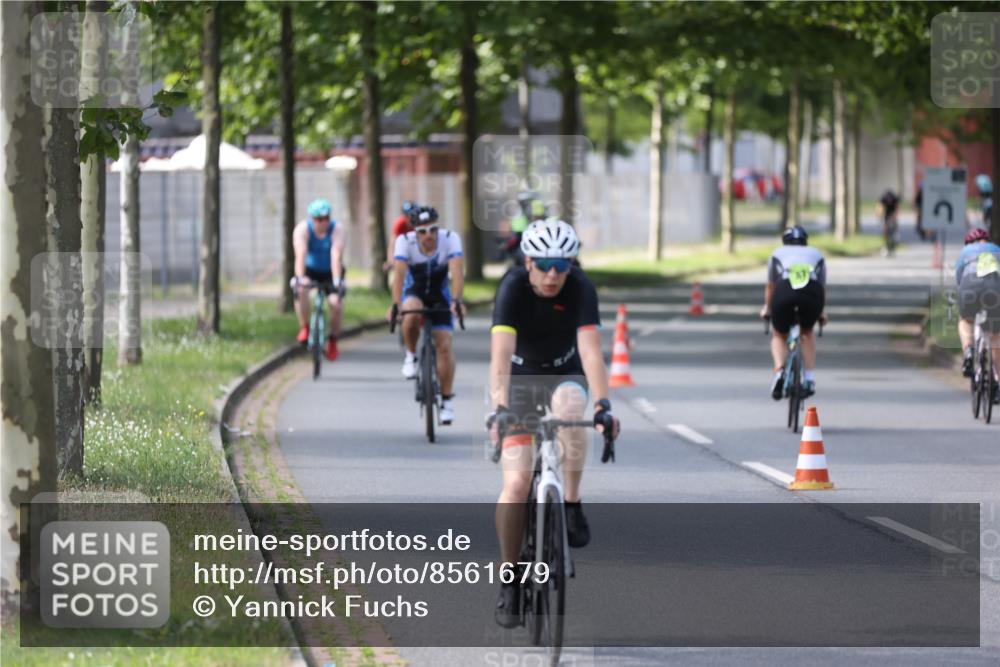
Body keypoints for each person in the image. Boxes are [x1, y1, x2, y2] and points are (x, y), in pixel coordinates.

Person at [486, 218, 620, 628]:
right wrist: (499, 407)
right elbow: (501, 356)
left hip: (566, 374)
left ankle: (572, 503)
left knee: (569, 413)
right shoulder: (511, 288)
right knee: (516, 483)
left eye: (561, 266)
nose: (552, 274)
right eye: (544, 264)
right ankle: (510, 578)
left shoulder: (581, 288)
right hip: (520, 382)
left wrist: (603, 405)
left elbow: (592, 352)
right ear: (528, 261)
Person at [388, 205, 466, 424]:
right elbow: (400, 276)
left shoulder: (450, 239)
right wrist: (396, 305)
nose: (428, 235)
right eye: (422, 231)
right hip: (416, 290)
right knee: (410, 311)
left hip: (440, 293)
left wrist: (457, 301)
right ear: (414, 232)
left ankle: (447, 401)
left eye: (432, 230)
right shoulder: (404, 242)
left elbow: (458, 272)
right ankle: (411, 355)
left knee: (444, 344)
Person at [760, 225, 828, 399]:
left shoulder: (777, 253)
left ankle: (779, 372)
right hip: (811, 292)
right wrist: (822, 312)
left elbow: (771, 286)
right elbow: (821, 287)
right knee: (807, 332)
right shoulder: (817, 254)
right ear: (805, 242)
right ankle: (810, 378)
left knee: (779, 335)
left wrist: (767, 308)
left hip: (784, 290)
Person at [292, 198, 346, 361]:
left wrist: (337, 281)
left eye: (326, 219)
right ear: (312, 219)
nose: (323, 223)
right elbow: (300, 254)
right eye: (318, 219)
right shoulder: (302, 229)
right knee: (302, 289)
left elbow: (336, 255)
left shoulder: (337, 229)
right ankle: (305, 326)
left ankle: (333, 341)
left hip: (331, 271)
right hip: (310, 270)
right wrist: (300, 278)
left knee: (335, 304)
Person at [955, 227, 1000, 403]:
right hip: (995, 289)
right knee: (996, 335)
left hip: (970, 285)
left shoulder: (965, 252)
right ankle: (998, 381)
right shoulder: (996, 249)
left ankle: (968, 351)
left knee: (965, 319)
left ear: (969, 243)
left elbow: (960, 281)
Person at [384, 201, 417, 271]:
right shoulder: (400, 223)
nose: (409, 218)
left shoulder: (419, 223)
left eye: (412, 215)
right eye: (407, 215)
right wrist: (390, 261)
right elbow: (392, 243)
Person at [877, 189, 900, 257]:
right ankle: (887, 245)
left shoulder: (894, 198)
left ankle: (892, 246)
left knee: (893, 230)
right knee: (886, 231)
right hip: (886, 216)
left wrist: (895, 215)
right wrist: (879, 215)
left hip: (892, 215)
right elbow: (879, 207)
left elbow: (897, 207)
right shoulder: (883, 199)